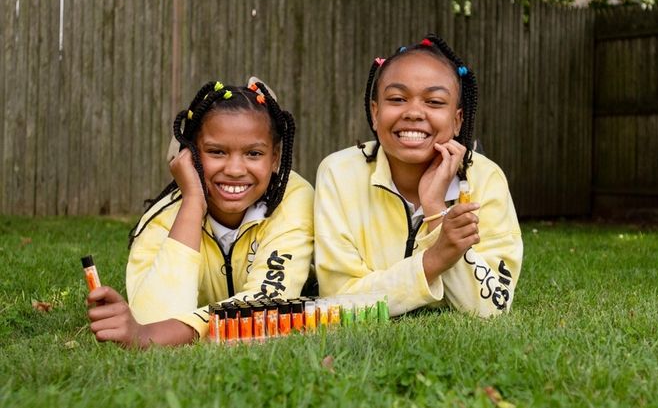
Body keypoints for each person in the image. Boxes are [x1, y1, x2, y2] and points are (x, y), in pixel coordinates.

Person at [87, 80, 313, 347]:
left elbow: (264, 308)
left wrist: (170, 333)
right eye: (217, 152)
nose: (235, 169)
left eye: (253, 153)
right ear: (191, 154)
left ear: (275, 157)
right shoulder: (163, 216)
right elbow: (154, 320)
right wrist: (193, 202)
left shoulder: (292, 197)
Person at [314, 34, 522, 317]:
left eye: (434, 102)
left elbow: (490, 309)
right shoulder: (338, 174)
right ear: (375, 113)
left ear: (457, 119)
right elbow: (339, 300)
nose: (413, 112)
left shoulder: (486, 179)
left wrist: (436, 211)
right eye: (397, 98)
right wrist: (435, 259)